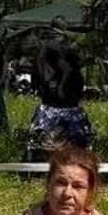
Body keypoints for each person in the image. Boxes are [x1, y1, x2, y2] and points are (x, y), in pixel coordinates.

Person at [26, 17, 93, 156]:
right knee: (70, 127)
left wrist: (57, 86)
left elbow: (65, 69)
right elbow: (71, 68)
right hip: (67, 91)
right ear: (64, 28)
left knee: (48, 125)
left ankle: (46, 155)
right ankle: (69, 154)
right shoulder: (66, 44)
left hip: (52, 90)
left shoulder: (46, 45)